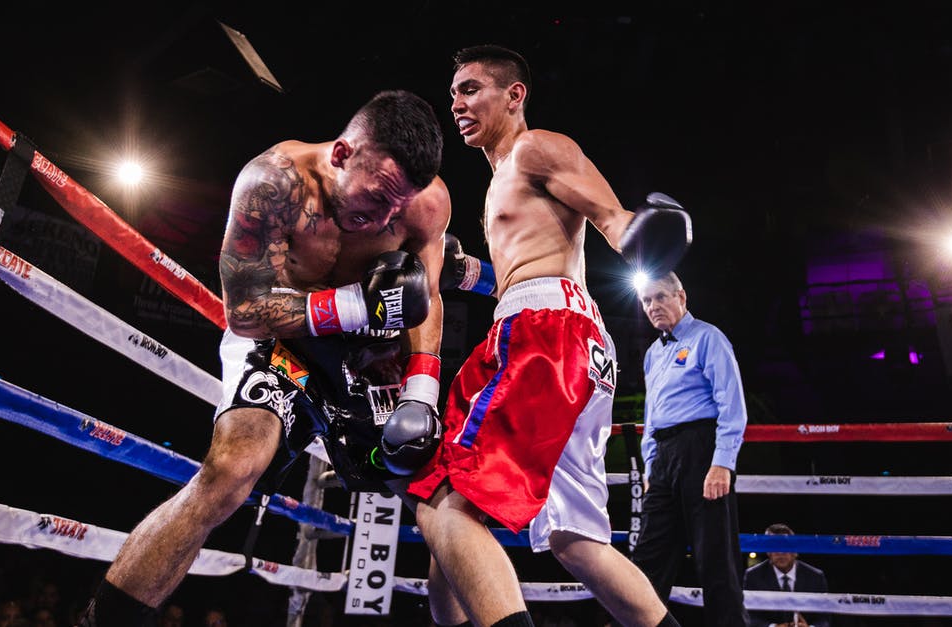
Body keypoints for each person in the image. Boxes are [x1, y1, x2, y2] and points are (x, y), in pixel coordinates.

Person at [80, 89, 450, 626]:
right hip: (279, 341)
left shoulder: (425, 203)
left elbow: (425, 299)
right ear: (343, 154)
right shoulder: (273, 183)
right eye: (376, 199)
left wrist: (421, 389)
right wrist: (352, 305)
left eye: (397, 207)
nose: (384, 219)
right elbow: (245, 311)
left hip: (366, 361)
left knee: (444, 499)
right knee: (230, 472)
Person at [406, 44, 690, 627]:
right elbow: (528, 267)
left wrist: (643, 232)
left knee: (443, 502)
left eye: (471, 88)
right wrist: (470, 274)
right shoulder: (500, 182)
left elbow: (615, 224)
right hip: (566, 339)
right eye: (454, 91)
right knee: (573, 538)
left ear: (515, 95)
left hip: (542, 336)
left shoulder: (536, 147)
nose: (456, 102)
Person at [631, 272, 750, 627]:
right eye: (647, 301)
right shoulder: (653, 353)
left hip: (702, 450)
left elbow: (732, 405)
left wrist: (722, 464)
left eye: (660, 297)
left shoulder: (708, 338)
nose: (653, 306)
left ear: (681, 296)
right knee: (649, 555)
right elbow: (651, 417)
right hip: (664, 459)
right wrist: (652, 467)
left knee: (715, 559)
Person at [743, 524, 830, 627]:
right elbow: (748, 616)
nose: (780, 552)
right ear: (767, 551)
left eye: (785, 545)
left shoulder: (815, 577)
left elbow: (824, 618)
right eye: (775, 546)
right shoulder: (753, 576)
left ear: (795, 551)